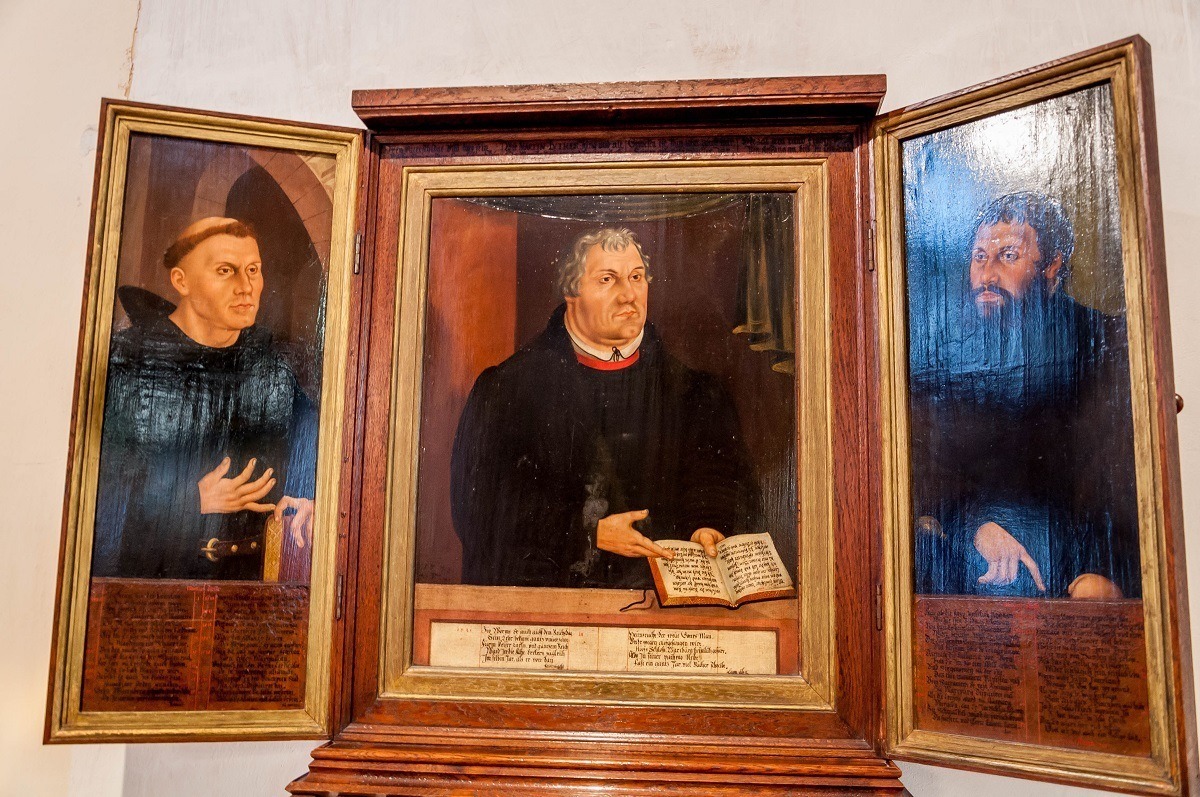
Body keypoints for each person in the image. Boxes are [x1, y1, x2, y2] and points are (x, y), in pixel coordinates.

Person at [450, 227, 754, 588]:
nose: (629, 295)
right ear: (571, 292)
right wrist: (588, 532)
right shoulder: (505, 391)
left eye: (637, 277)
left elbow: (717, 483)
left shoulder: (696, 394)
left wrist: (707, 524)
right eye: (608, 279)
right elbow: (479, 512)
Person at [911, 192, 1141, 599]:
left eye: (1009, 256)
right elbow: (927, 469)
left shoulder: (1104, 345)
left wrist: (1103, 573)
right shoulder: (947, 354)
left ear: (1052, 266)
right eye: (980, 257)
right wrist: (977, 526)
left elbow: (1122, 486)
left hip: (1079, 568)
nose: (987, 276)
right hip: (976, 562)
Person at [91, 217, 317, 580]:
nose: (246, 287)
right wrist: (191, 500)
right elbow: (99, 484)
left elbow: (315, 432)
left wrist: (307, 491)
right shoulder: (128, 362)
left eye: (254, 270)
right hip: (153, 586)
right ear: (181, 281)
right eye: (226, 270)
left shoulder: (273, 368)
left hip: (252, 586)